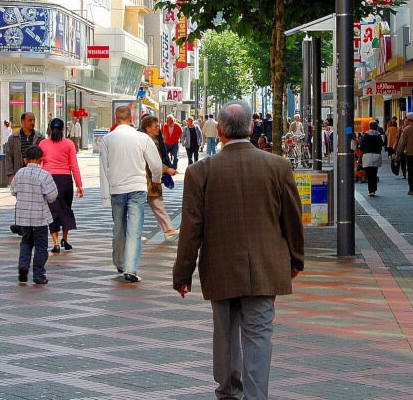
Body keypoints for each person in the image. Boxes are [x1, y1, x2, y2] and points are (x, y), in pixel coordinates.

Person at [174, 100, 304, 400]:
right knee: (259, 334)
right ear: (251, 128)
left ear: (219, 131)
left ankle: (229, 391)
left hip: (219, 267)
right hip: (265, 267)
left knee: (225, 332)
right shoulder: (278, 166)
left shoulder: (199, 172)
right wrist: (296, 259)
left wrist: (182, 274)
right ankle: (256, 395)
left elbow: (191, 229)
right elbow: (292, 219)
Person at [99, 106, 162, 282]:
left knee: (119, 227)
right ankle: (131, 268)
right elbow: (156, 164)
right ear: (130, 118)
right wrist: (156, 179)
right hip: (137, 188)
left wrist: (106, 194)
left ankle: (119, 262)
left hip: (117, 189)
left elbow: (104, 168)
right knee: (135, 229)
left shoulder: (107, 140)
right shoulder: (142, 138)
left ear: (115, 118)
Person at [11, 145, 59, 284]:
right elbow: (52, 196)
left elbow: (13, 190)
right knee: (41, 246)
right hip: (40, 217)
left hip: (23, 217)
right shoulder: (44, 175)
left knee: (26, 242)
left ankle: (23, 265)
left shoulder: (20, 173)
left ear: (25, 160)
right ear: (41, 160)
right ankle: (39, 275)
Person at [39, 118, 83, 253]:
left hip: (48, 179)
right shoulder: (69, 144)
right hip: (65, 180)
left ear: (50, 129)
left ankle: (56, 243)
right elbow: (73, 166)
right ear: (64, 129)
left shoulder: (43, 144)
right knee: (65, 209)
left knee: (52, 212)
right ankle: (65, 239)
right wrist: (79, 185)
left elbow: (40, 165)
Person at [140, 115, 179, 239]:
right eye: (156, 126)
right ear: (147, 128)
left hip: (149, 179)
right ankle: (133, 234)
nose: (158, 128)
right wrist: (167, 169)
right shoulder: (146, 141)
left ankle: (168, 230)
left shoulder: (154, 140)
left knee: (157, 204)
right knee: (139, 207)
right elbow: (153, 162)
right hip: (147, 179)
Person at [359, 120, 384, 196]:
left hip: (367, 155)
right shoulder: (378, 135)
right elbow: (382, 144)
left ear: (369, 126)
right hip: (376, 155)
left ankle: (371, 190)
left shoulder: (366, 135)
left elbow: (362, 145)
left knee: (369, 173)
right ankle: (374, 189)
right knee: (374, 172)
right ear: (376, 127)